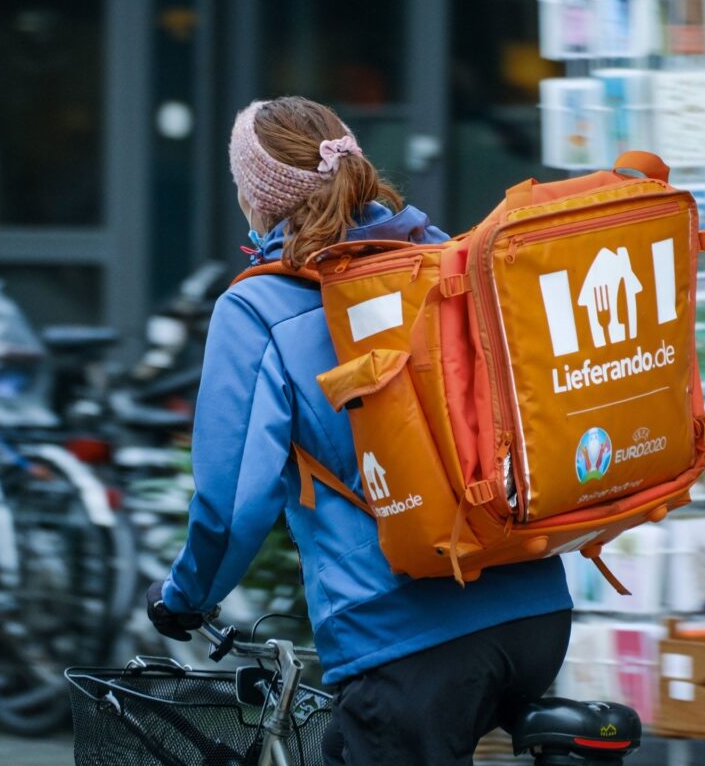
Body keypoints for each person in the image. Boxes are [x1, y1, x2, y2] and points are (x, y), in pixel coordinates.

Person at [147, 96, 573, 765]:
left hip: (407, 642)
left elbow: (233, 505)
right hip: (539, 613)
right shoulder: (440, 257)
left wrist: (184, 599)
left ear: (257, 199)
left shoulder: (257, 308)